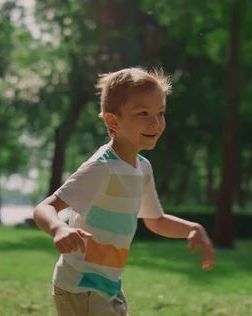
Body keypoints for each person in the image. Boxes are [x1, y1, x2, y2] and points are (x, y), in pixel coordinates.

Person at [33, 67, 215, 316]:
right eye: (143, 113)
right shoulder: (102, 168)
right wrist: (59, 228)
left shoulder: (142, 168)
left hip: (108, 285)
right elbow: (45, 208)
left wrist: (193, 228)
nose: (156, 122)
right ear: (113, 121)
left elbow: (155, 221)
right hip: (82, 286)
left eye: (160, 113)